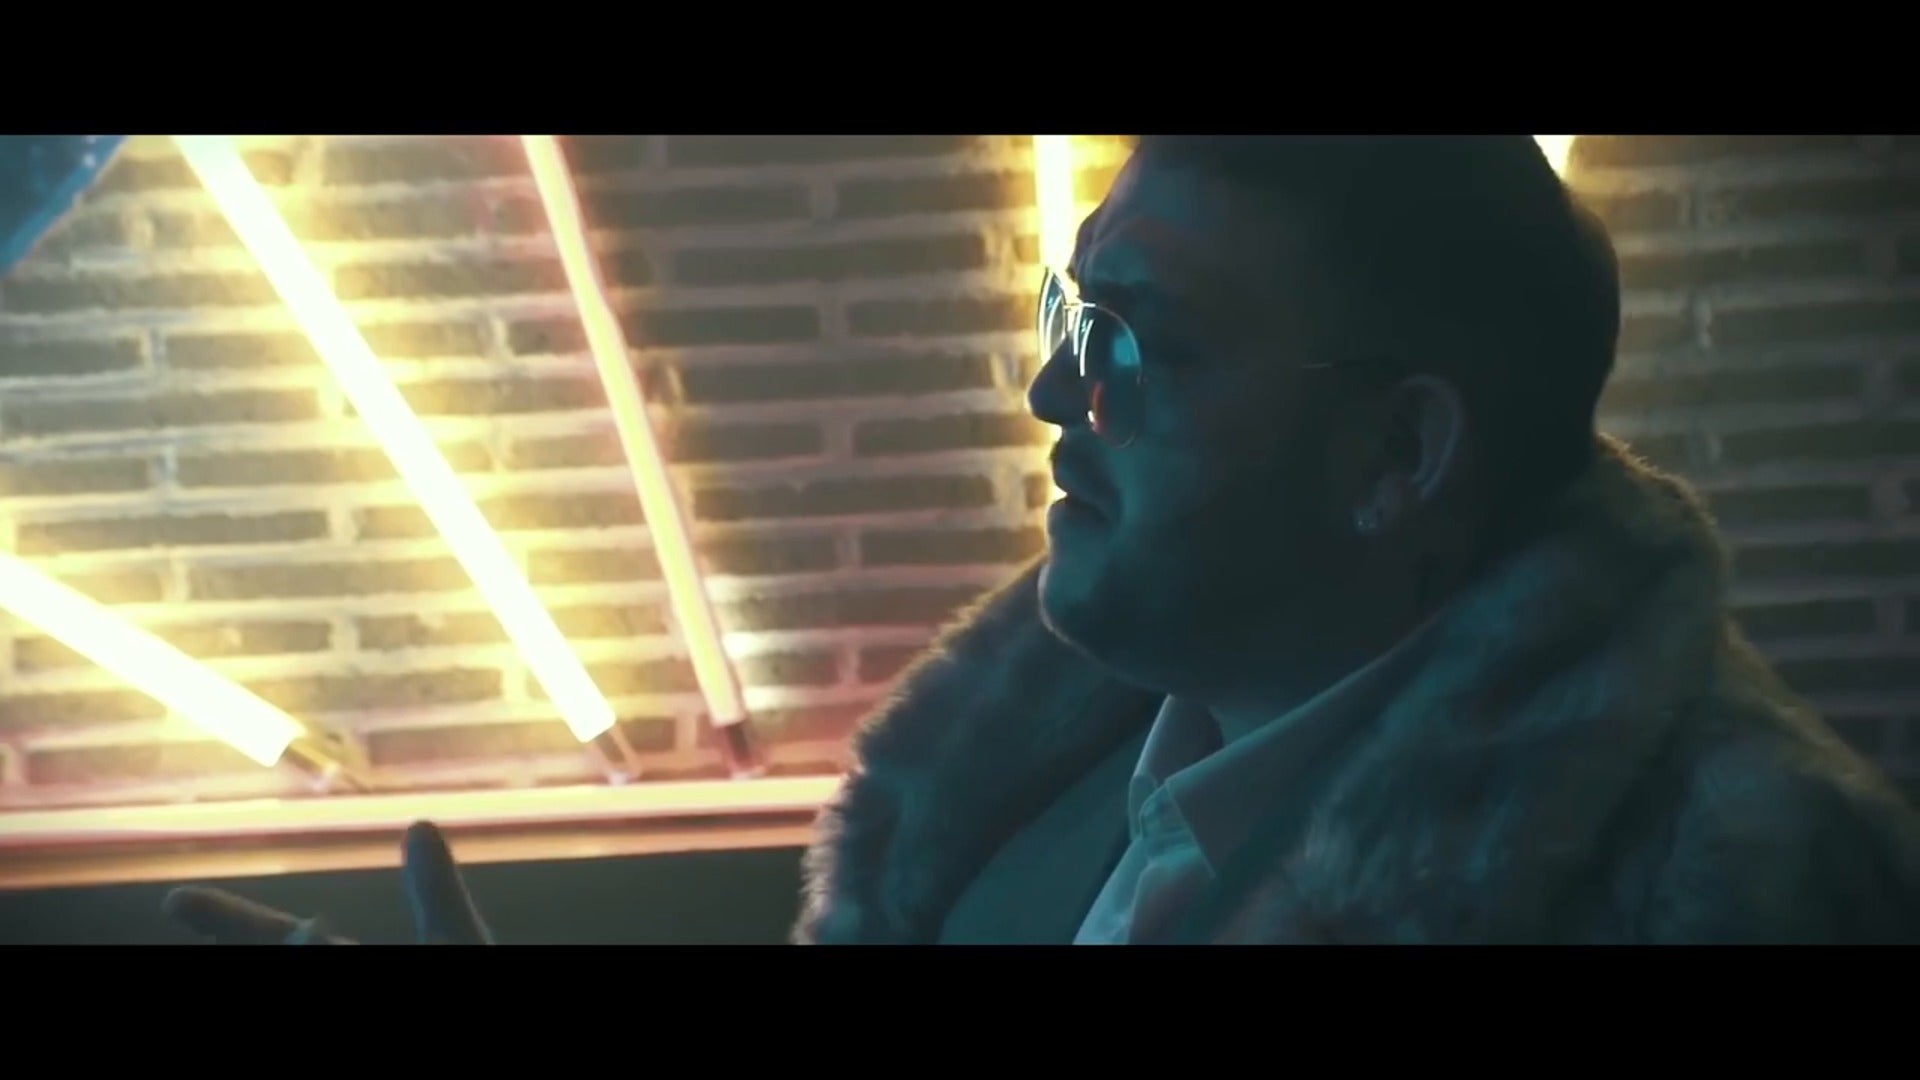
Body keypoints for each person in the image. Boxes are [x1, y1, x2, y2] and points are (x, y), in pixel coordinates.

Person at [162, 135, 1920, 945]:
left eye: (1135, 342)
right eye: (1070, 317)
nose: (1049, 394)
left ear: (1397, 453)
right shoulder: (1041, 767)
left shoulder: (1747, 887)